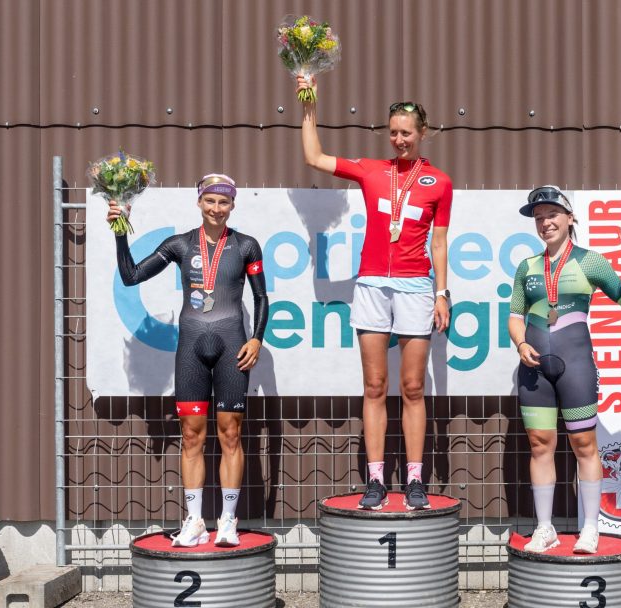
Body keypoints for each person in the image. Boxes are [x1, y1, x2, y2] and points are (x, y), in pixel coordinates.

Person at [298, 75, 453, 510]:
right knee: (374, 385)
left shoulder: (439, 182)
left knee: (413, 386)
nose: (399, 140)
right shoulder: (372, 170)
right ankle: (377, 479)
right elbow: (314, 157)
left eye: (407, 133)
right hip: (371, 284)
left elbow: (439, 242)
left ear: (423, 133)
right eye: (394, 133)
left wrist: (442, 292)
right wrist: (309, 103)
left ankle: (416, 480)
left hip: (416, 285)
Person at [108, 174, 269, 547]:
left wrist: (257, 338)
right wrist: (120, 231)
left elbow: (261, 297)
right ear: (199, 202)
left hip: (233, 347)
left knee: (231, 434)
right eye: (210, 201)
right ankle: (195, 521)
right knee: (191, 435)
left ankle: (227, 521)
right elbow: (131, 276)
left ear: (232, 205)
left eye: (223, 202)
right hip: (191, 349)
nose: (216, 209)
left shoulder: (246, 245)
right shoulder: (180, 244)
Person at [509, 185, 621, 553]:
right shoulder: (526, 267)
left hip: (576, 364)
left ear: (570, 218)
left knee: (584, 444)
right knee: (540, 445)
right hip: (535, 368)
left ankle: (591, 528)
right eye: (538, 218)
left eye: (552, 215)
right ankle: (545, 528)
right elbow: (515, 316)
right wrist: (520, 343)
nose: (545, 223)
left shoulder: (590, 262)